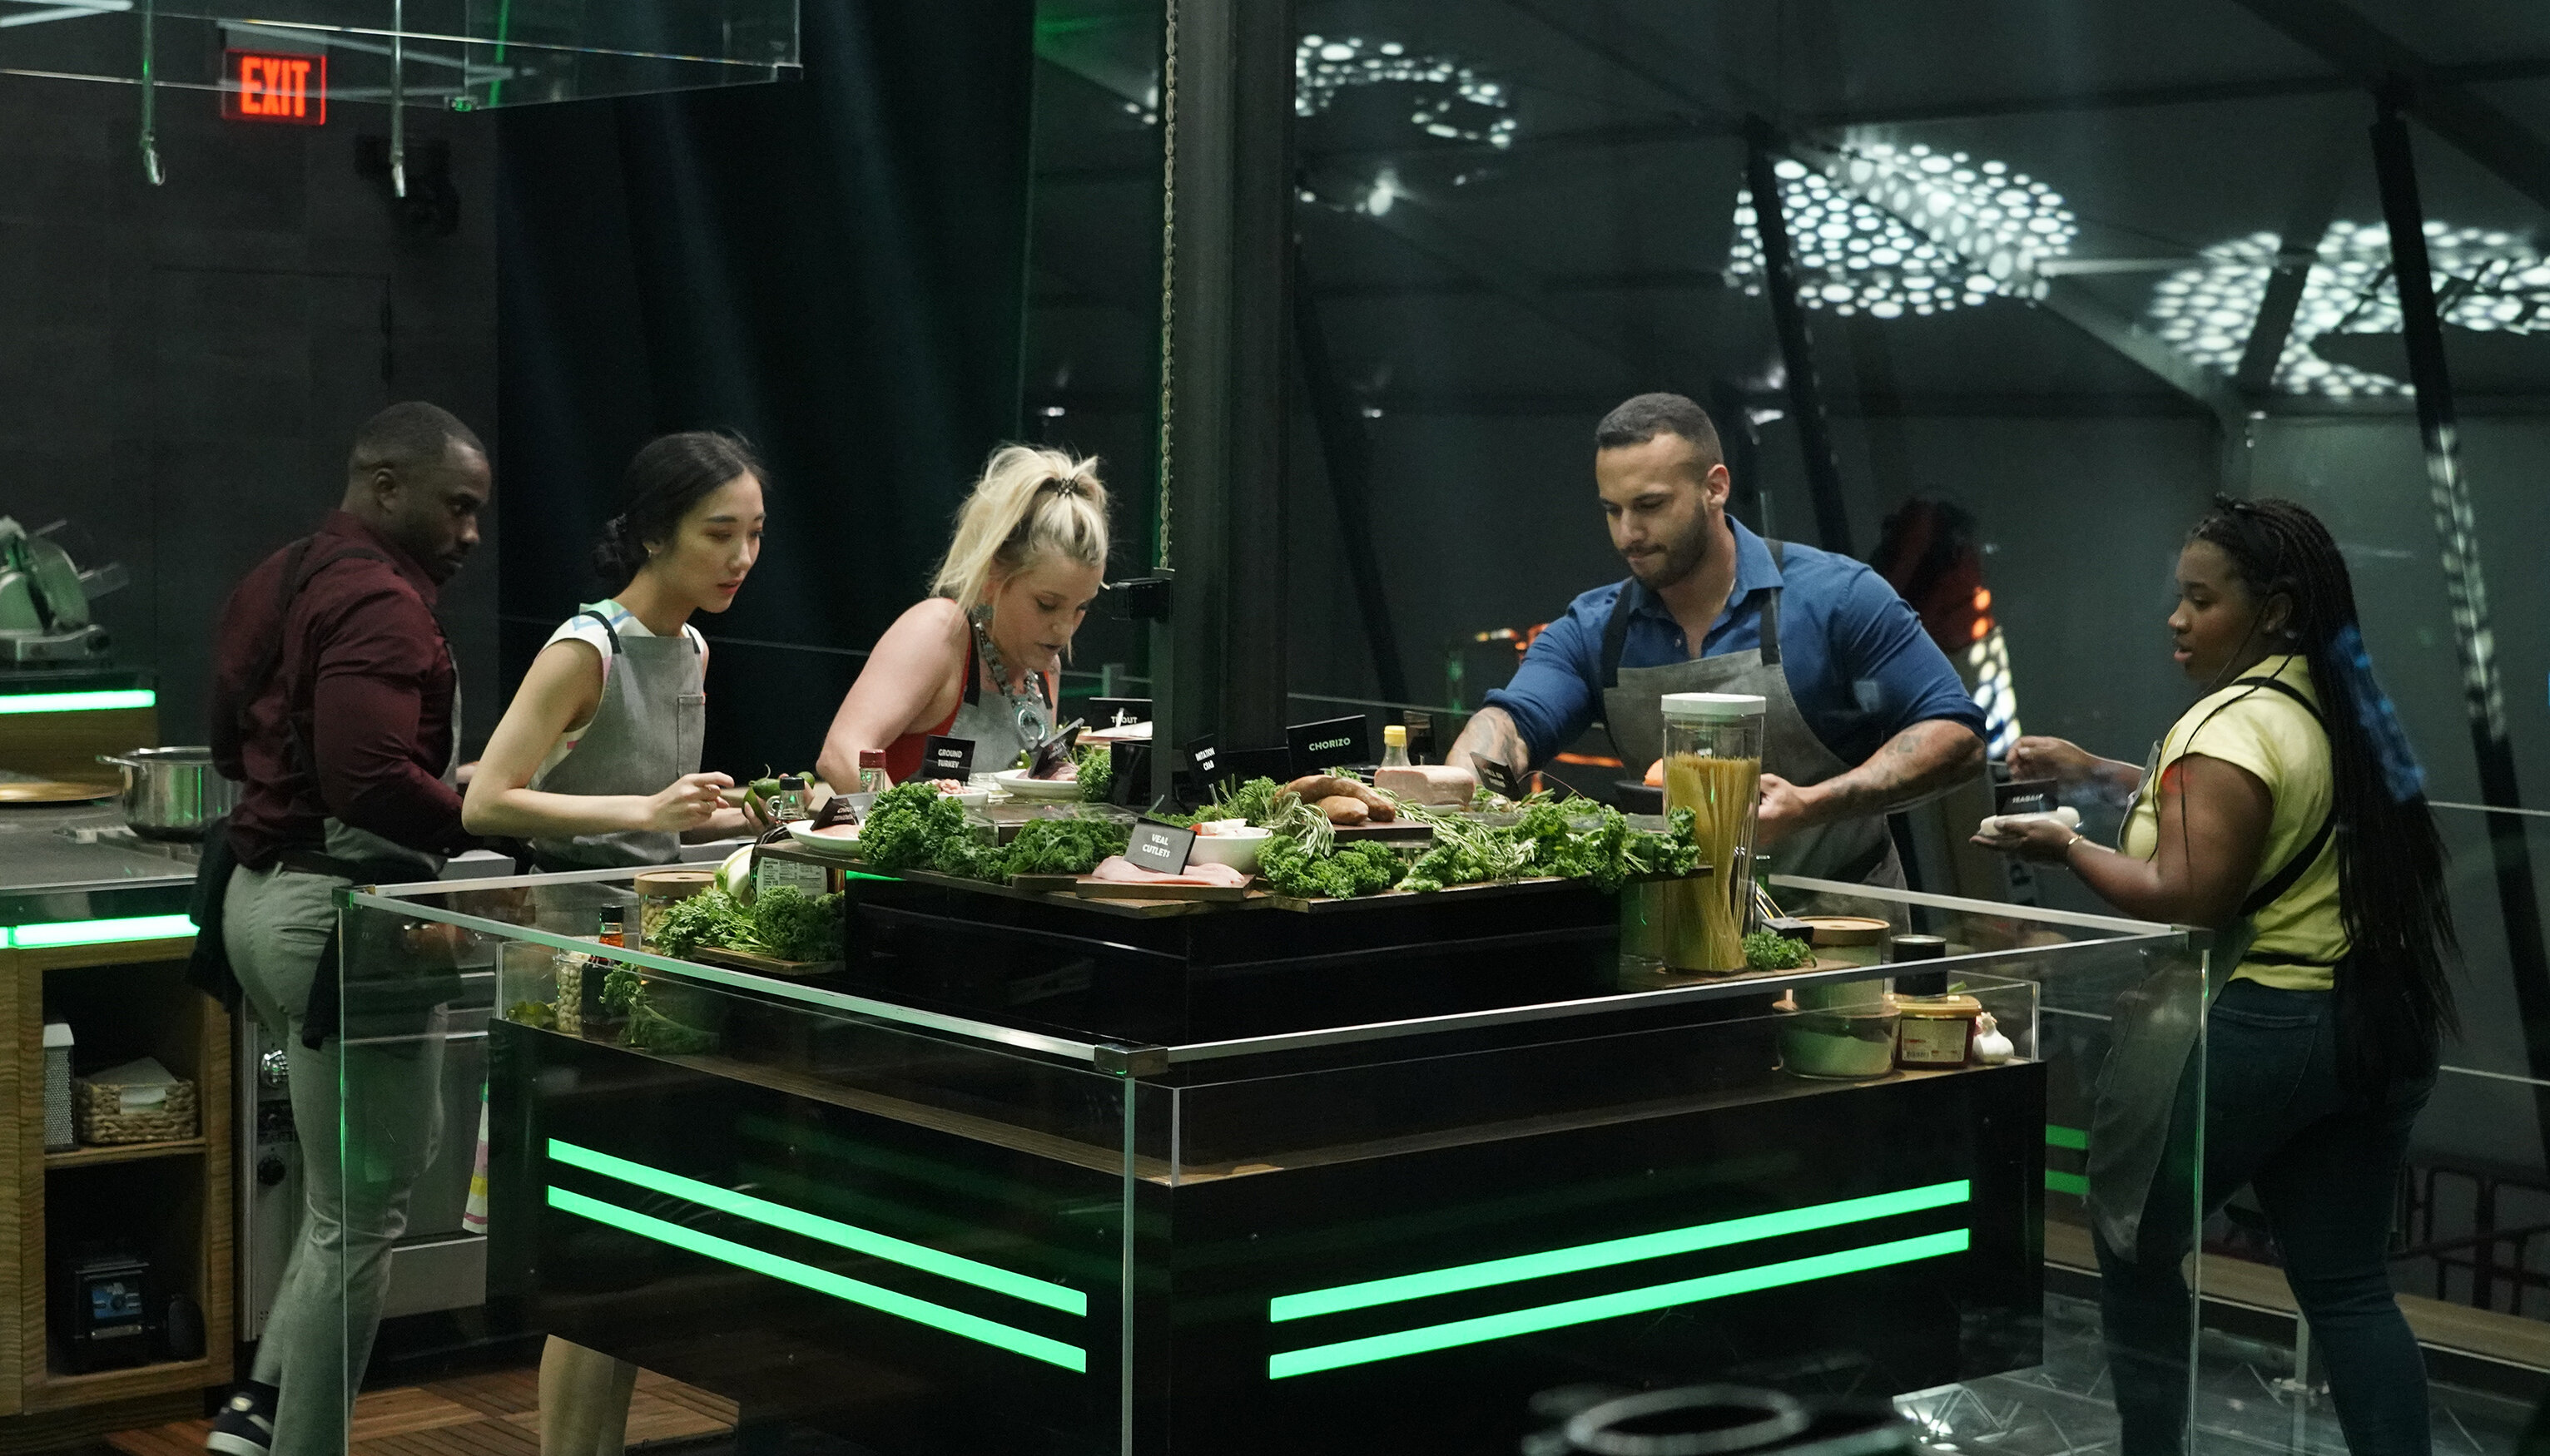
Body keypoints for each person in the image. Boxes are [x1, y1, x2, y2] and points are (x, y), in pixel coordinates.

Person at [1978, 498, 2455, 1456]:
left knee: (2132, 1241)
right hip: (2370, 1024)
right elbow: (2236, 818)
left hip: (2256, 1030)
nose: (2176, 617)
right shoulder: (2341, 704)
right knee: (2348, 1288)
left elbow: (2189, 893)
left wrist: (2063, 845)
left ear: (2272, 610)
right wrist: (2097, 773)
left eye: (2201, 600)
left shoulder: (2227, 725)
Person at [459, 431, 767, 1455]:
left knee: (631, 1251)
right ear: (651, 534)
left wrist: (739, 813)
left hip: (654, 965)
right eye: (718, 533)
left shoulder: (693, 647)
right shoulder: (586, 646)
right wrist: (647, 809)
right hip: (572, 966)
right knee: (592, 1251)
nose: (740, 557)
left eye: (754, 534)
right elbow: (487, 800)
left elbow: (659, 817)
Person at [203, 402, 494, 1456]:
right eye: (456, 507)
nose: (470, 533)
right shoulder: (381, 602)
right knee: (361, 1218)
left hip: (255, 899)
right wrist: (487, 813)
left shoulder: (279, 573)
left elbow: (230, 742)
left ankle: (257, 1418)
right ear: (384, 485)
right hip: (336, 919)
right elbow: (366, 781)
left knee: (342, 1202)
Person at [1446, 393, 1984, 884]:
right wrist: (1449, 797)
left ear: (1715, 487)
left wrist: (1813, 804)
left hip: (1844, 919)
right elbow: (1511, 724)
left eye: (1650, 505)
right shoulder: (1595, 629)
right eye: (1613, 510)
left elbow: (1956, 735)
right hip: (1678, 922)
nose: (1628, 533)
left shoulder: (1837, 598)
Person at [816, 445, 1107, 789]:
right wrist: (903, 820)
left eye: (1082, 607)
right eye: (1046, 604)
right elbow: (842, 754)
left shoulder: (1047, 669)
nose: (1064, 629)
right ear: (993, 575)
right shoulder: (939, 631)